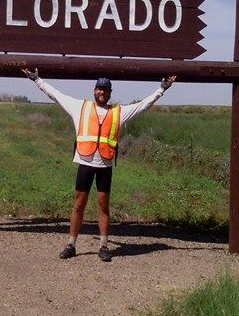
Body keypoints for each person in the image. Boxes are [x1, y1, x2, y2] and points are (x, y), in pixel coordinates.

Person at [22, 68, 176, 262]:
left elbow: (143, 105)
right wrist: (37, 80)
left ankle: (103, 246)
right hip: (85, 163)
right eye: (99, 89)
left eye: (105, 89)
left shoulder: (119, 112)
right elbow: (56, 95)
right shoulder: (80, 107)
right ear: (94, 90)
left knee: (103, 206)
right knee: (78, 205)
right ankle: (71, 244)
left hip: (105, 165)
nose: (102, 92)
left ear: (110, 93)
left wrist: (161, 89)